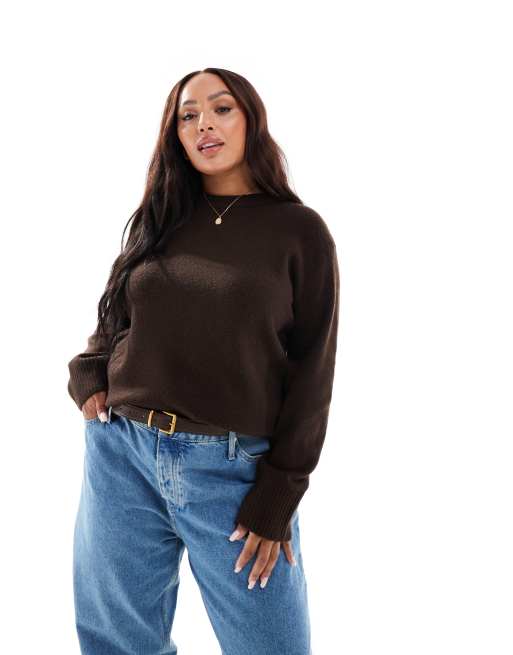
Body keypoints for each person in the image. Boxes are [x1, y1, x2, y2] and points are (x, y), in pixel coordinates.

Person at [68, 67, 340, 655]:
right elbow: (118, 311)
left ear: (251, 120)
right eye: (187, 116)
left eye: (221, 109)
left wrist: (280, 491)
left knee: (272, 645)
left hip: (232, 470)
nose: (203, 125)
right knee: (118, 644)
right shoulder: (162, 216)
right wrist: (90, 368)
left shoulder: (298, 231)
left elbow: (313, 370)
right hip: (122, 453)